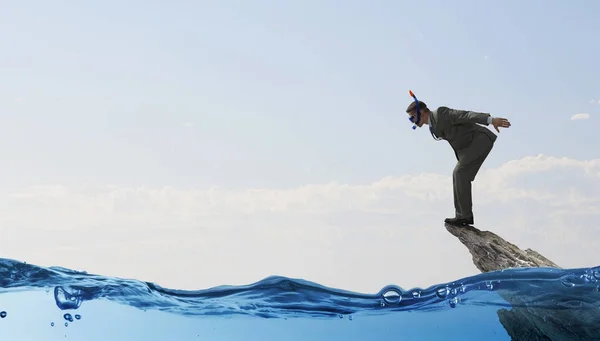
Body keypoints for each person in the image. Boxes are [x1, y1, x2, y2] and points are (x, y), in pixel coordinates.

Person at [405, 100, 511, 226]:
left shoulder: (441, 113)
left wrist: (491, 120)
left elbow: (465, 115)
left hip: (480, 140)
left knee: (459, 173)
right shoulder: (433, 124)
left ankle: (464, 216)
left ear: (421, 112)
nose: (412, 121)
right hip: (469, 148)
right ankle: (463, 216)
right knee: (460, 176)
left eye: (412, 117)